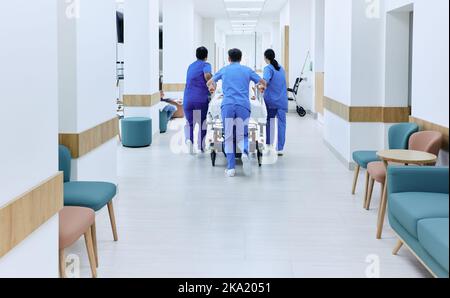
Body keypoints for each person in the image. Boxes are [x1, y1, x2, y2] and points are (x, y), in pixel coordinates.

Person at [207, 48, 266, 178]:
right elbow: (262, 82)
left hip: (227, 105)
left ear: (228, 58)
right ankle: (244, 152)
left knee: (228, 136)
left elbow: (209, 82)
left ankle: (231, 168)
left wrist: (212, 87)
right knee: (243, 134)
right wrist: (261, 87)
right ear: (240, 58)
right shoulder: (247, 70)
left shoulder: (224, 69)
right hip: (243, 106)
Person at [184, 46, 213, 155]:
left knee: (189, 123)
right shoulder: (206, 65)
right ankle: (201, 146)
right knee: (202, 123)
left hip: (188, 98)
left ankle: (189, 140)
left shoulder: (190, 66)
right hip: (200, 98)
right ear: (206, 56)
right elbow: (207, 75)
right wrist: (212, 82)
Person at [263, 49, 288, 156]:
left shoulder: (268, 68)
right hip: (282, 101)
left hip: (271, 101)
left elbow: (265, 81)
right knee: (282, 124)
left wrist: (258, 85)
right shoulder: (281, 68)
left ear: (265, 57)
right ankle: (280, 148)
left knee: (269, 122)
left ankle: (269, 144)